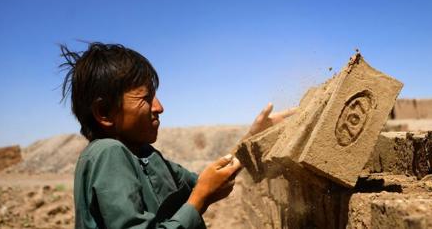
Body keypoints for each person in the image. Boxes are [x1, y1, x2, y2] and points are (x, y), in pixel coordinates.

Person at [60, 42, 291, 229]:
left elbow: (209, 181)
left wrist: (253, 136)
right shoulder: (108, 153)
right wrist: (198, 201)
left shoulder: (145, 154)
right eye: (145, 98)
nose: (159, 107)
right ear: (104, 113)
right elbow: (201, 191)